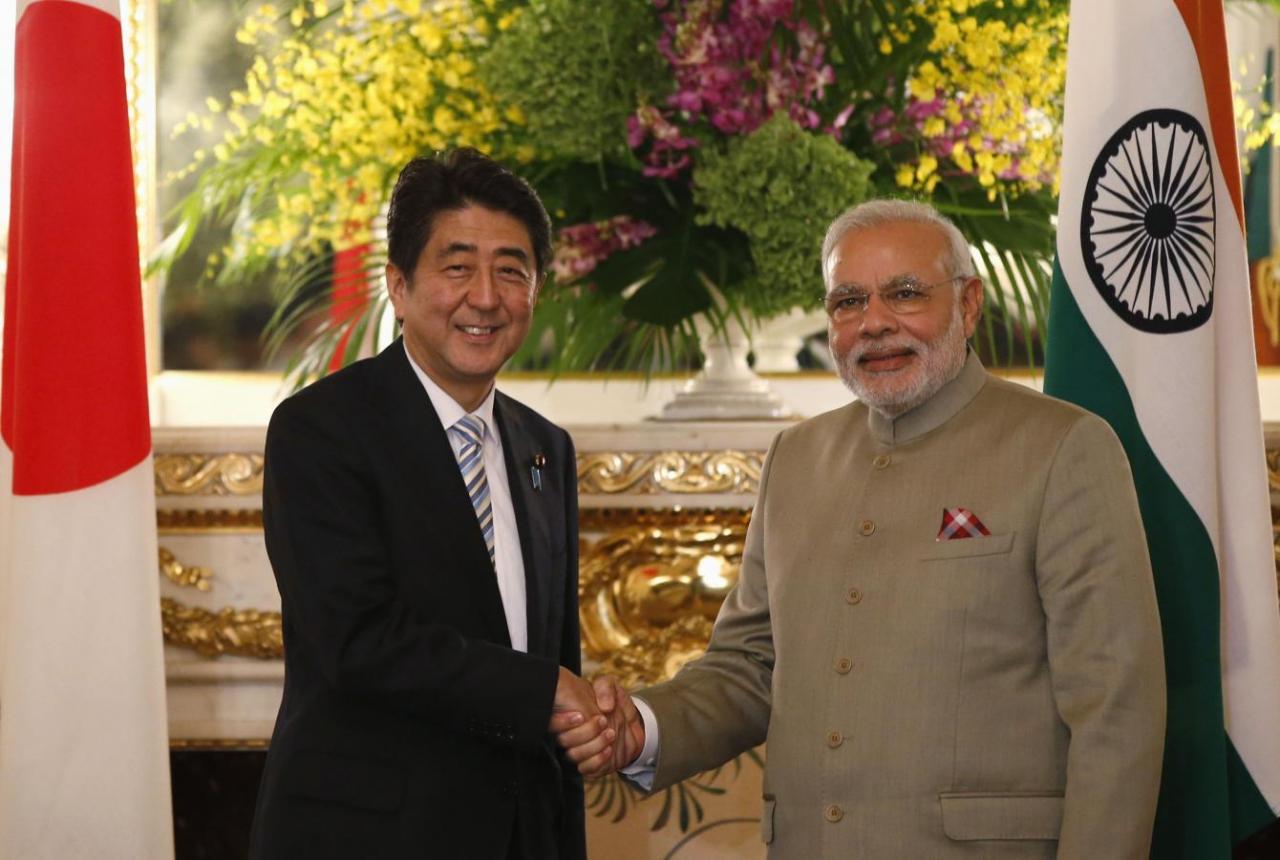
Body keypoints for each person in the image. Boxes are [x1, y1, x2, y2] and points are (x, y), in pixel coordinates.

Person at [558, 199, 1167, 858]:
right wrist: (640, 729)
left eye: (905, 294)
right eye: (848, 301)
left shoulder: (1060, 447)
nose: (873, 323)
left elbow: (1116, 712)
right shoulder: (797, 458)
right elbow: (747, 669)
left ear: (968, 304)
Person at [250, 149, 611, 860]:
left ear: (537, 290)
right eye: (457, 267)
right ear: (399, 285)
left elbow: (550, 652)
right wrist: (546, 689)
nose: (485, 296)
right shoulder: (321, 430)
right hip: (367, 837)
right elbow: (357, 641)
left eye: (512, 270)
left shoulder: (548, 449)